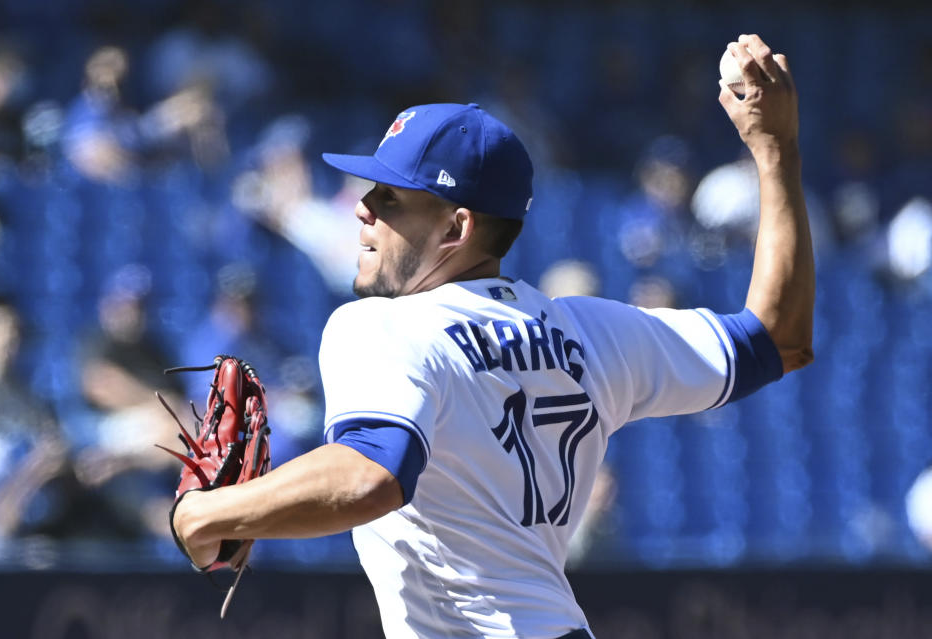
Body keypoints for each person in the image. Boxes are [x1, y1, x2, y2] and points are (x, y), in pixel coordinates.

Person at [171, 34, 814, 638]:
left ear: (456, 228)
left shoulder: (381, 325)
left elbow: (372, 476)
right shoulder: (591, 331)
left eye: (391, 198)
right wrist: (775, 148)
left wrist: (207, 514)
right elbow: (779, 339)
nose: (363, 207)